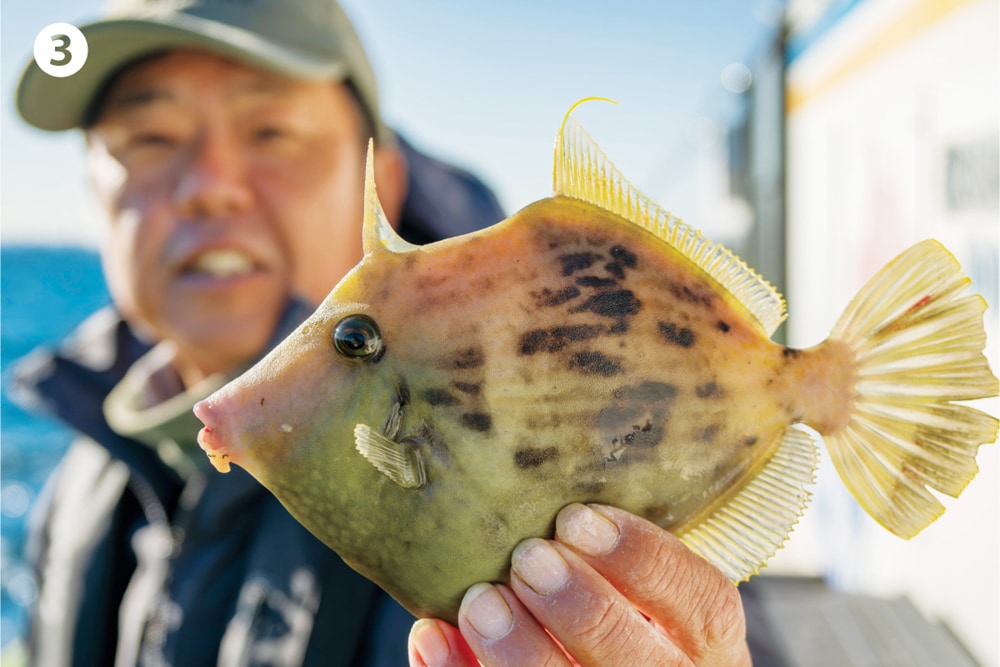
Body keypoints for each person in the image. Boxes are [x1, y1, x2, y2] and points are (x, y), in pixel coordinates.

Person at [11, 1, 766, 665]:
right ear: (95, 193)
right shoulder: (80, 488)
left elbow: (702, 602)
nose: (209, 182)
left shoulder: (532, 379)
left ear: (384, 181)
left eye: (270, 129)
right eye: (147, 136)